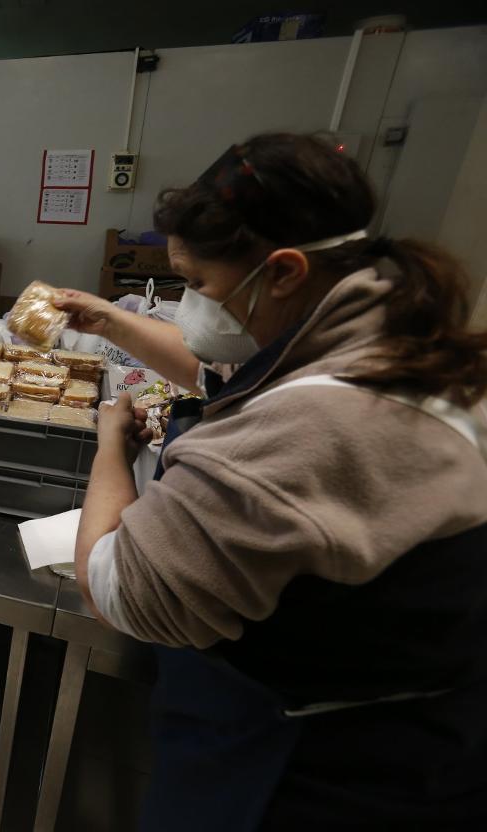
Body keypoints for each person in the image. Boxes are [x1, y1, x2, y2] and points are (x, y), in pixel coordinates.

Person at [57, 133, 487, 830]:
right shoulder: (390, 331)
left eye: (197, 285)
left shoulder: (307, 433)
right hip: (418, 722)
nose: (189, 305)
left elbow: (115, 586)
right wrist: (110, 320)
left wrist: (111, 446)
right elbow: (220, 372)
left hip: (311, 770)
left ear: (284, 272)